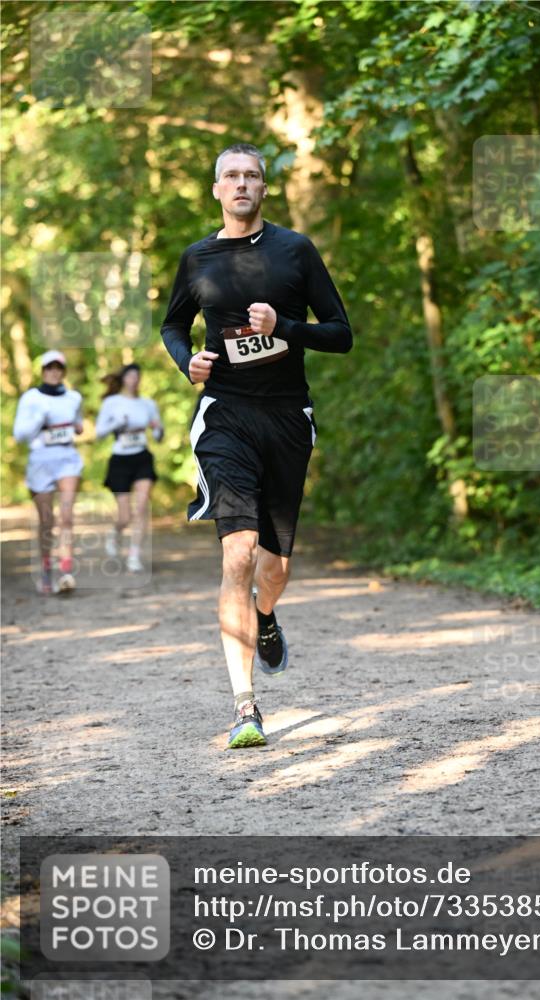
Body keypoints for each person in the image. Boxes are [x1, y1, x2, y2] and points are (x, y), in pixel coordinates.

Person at [160, 142, 352, 749]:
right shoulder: (197, 259)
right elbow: (171, 324)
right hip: (226, 415)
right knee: (236, 555)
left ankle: (265, 614)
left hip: (287, 417)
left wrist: (285, 329)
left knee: (274, 569)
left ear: (264, 189)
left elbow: (341, 335)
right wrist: (187, 360)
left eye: (252, 176)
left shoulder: (295, 250)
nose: (241, 184)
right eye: (230, 176)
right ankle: (246, 707)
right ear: (216, 189)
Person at [12, 350, 84, 595]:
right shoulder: (31, 398)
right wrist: (40, 420)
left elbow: (79, 424)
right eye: (49, 368)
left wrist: (78, 426)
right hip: (41, 460)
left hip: (67, 458)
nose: (54, 371)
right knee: (47, 521)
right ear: (42, 371)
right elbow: (19, 435)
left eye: (58, 368)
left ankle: (65, 573)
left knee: (66, 517)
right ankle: (45, 570)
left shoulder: (73, 397)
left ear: (63, 371)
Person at [95, 363, 163, 572]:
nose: (134, 379)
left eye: (137, 376)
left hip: (142, 457)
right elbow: (99, 433)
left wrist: (157, 429)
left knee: (141, 507)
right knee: (125, 515)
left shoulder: (148, 404)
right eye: (131, 376)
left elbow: (159, 436)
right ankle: (115, 534)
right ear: (124, 378)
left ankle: (134, 555)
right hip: (120, 460)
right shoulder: (111, 402)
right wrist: (117, 424)